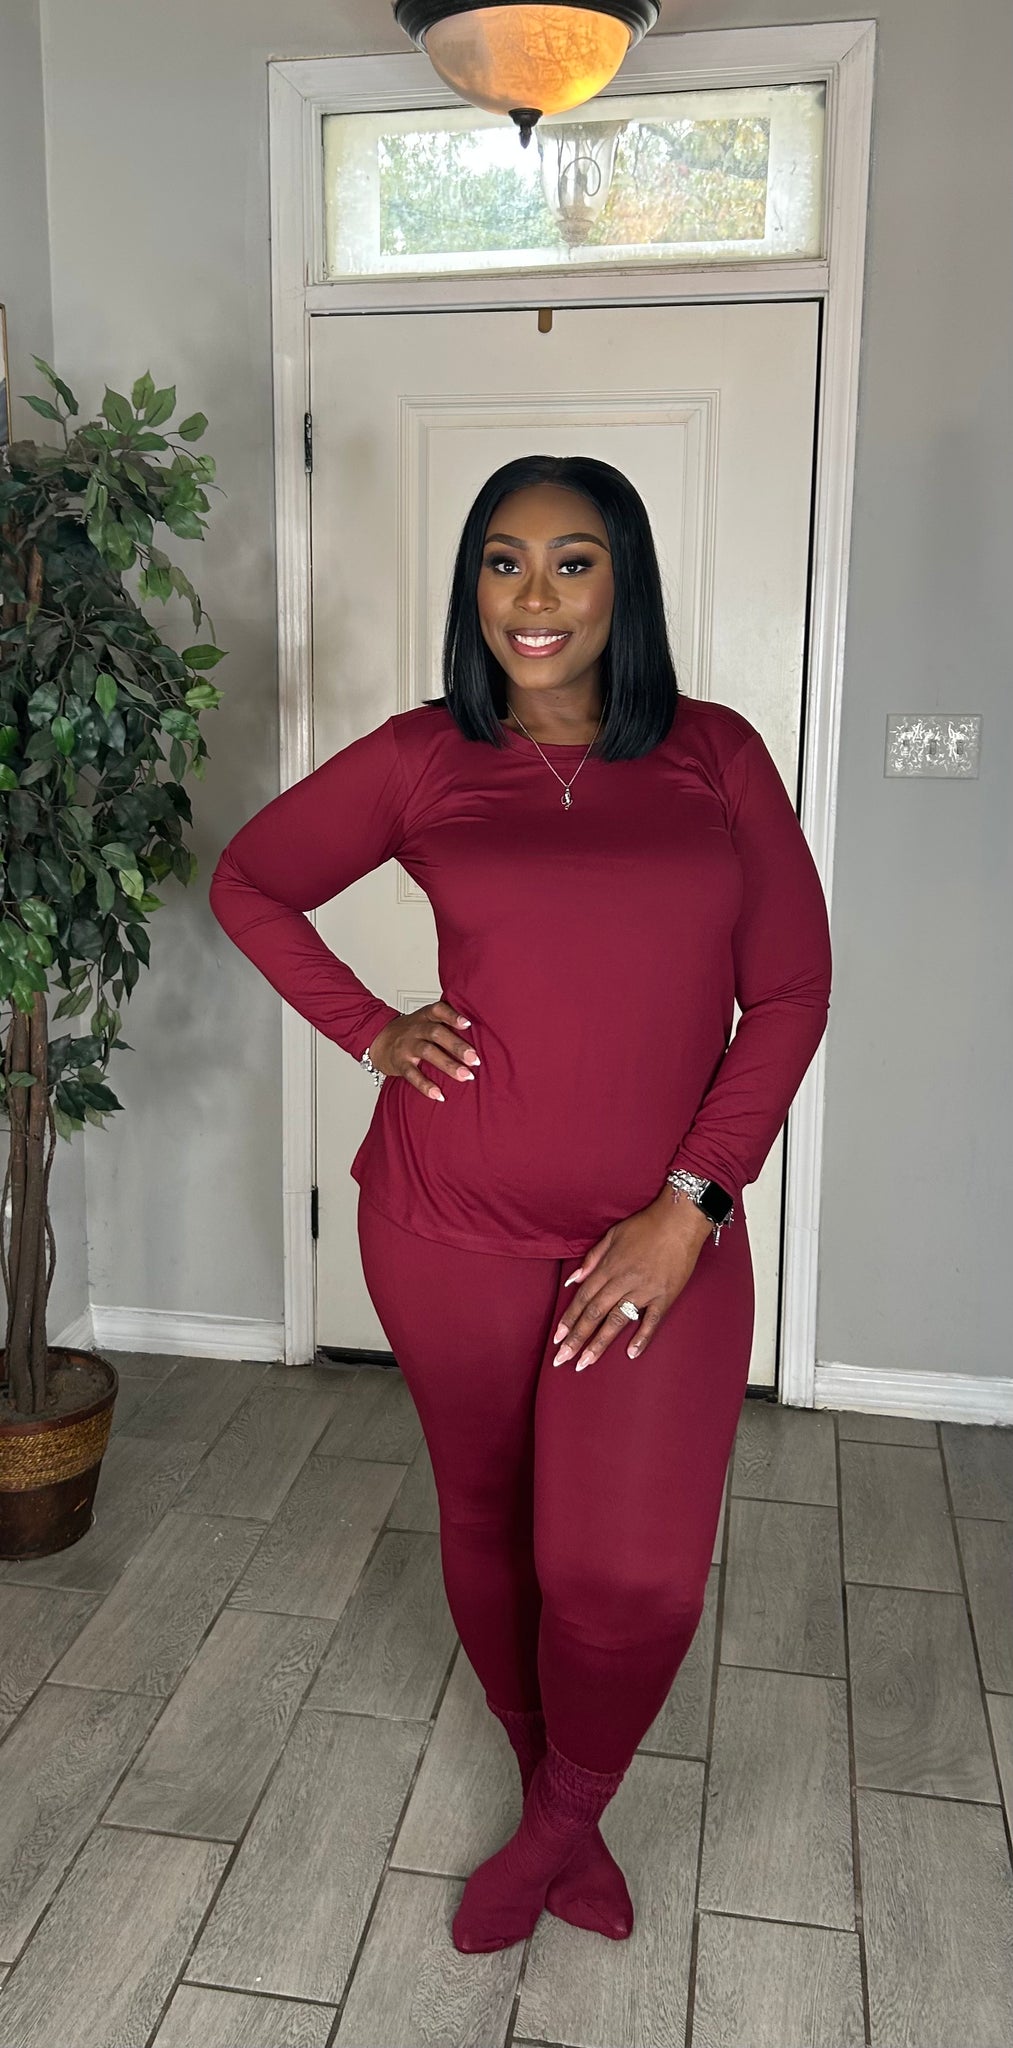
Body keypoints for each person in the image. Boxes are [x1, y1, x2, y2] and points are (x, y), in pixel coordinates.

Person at [209, 453, 832, 1957]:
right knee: (488, 1512)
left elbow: (791, 993)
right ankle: (557, 1799)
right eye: (503, 561)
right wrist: (373, 1030)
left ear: (624, 580)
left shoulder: (714, 755)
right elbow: (249, 881)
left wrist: (690, 1205)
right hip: (447, 1223)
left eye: (571, 560)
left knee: (627, 1580)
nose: (533, 596)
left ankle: (555, 1823)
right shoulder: (425, 755)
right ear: (472, 586)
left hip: (658, 1238)